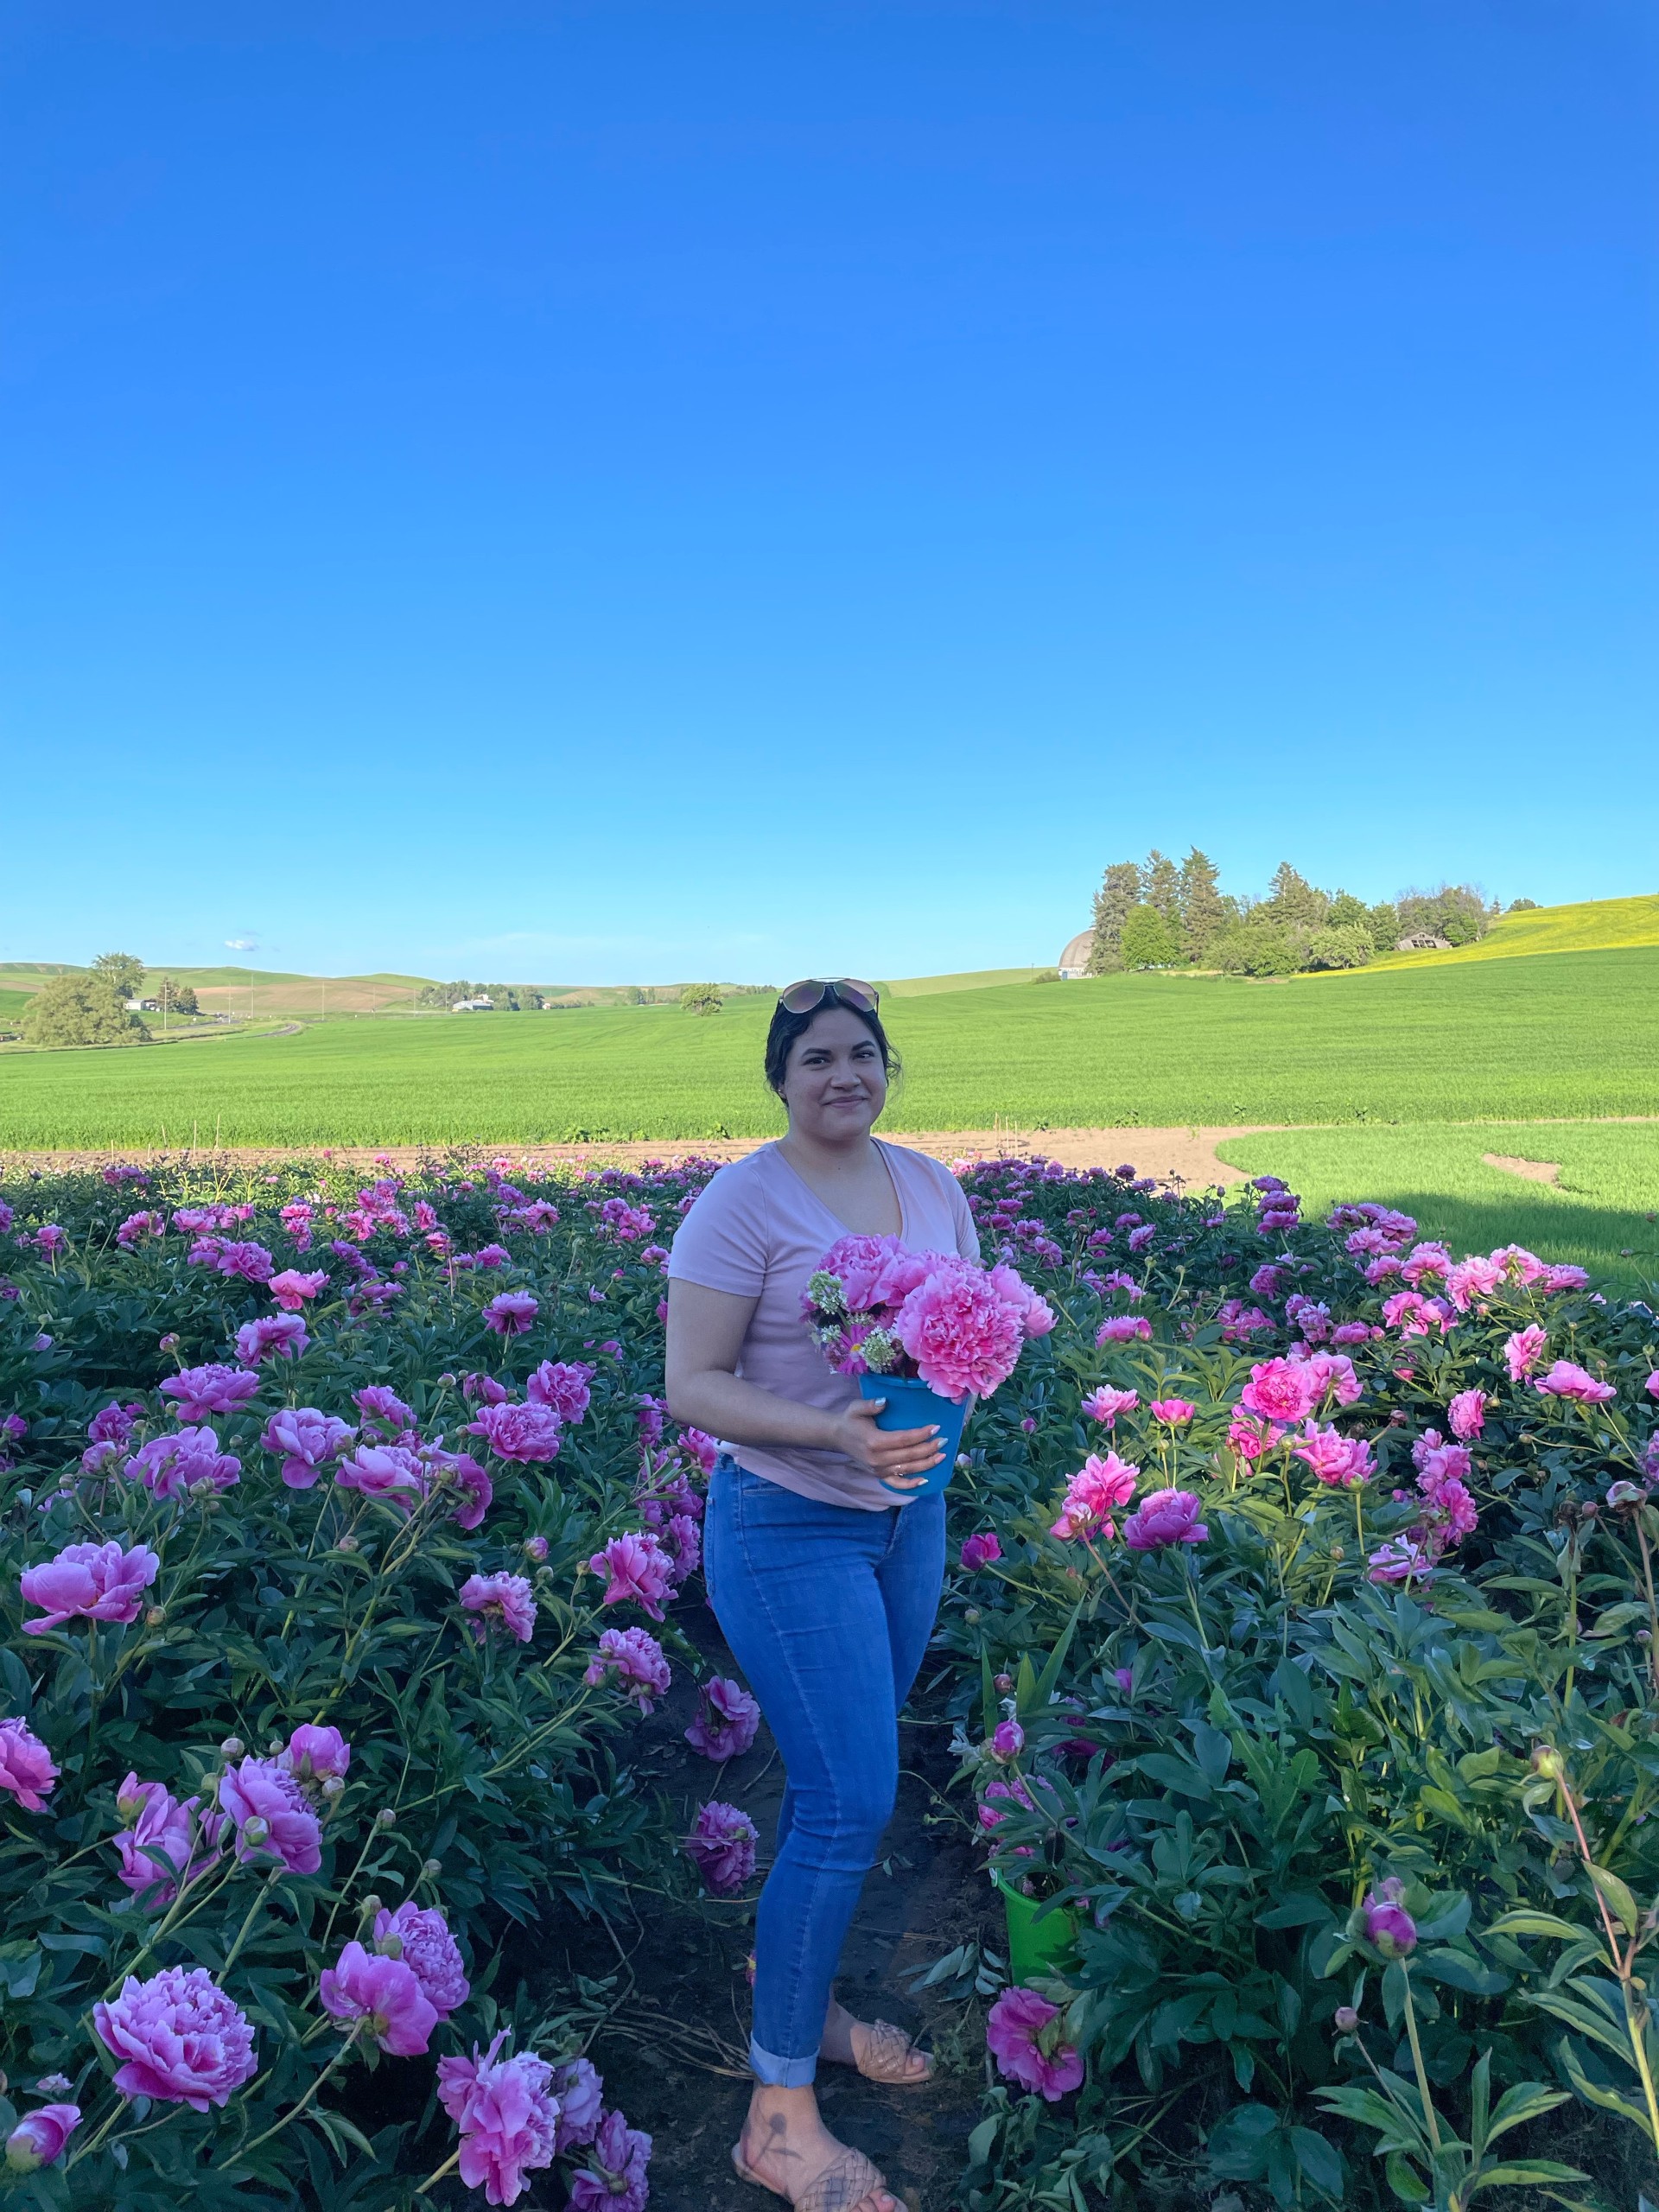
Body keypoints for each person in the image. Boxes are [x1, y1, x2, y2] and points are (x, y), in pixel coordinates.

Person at [664, 977, 978, 2212]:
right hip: (789, 1522)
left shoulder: (932, 1184)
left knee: (831, 1787)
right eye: (817, 1059)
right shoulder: (743, 1201)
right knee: (851, 1802)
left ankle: (805, 2000)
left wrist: (954, 1393)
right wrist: (833, 1432)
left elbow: (970, 1333)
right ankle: (777, 2123)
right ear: (780, 1079)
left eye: (863, 1053)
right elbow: (692, 1385)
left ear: (886, 1065)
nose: (844, 1075)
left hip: (909, 1519)